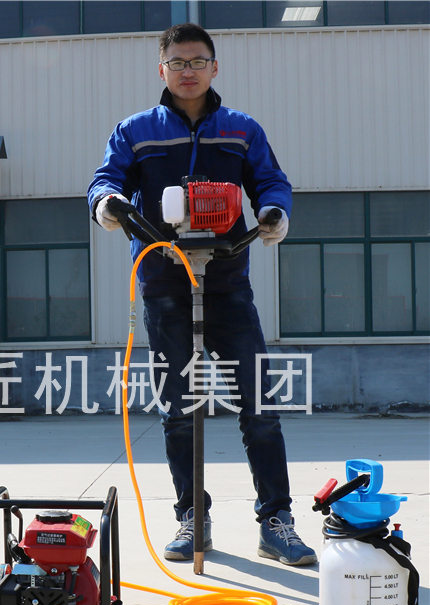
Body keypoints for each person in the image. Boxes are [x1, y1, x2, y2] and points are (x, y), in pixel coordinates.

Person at [88, 23, 316, 566]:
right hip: (164, 283)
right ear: (161, 69)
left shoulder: (241, 130)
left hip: (227, 283)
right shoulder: (136, 131)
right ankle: (193, 517)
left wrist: (274, 211)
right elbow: (106, 179)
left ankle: (276, 521)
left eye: (197, 61)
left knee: (259, 405)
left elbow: (270, 181)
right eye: (177, 62)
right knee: (179, 408)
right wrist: (108, 203)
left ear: (215, 67)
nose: (187, 71)